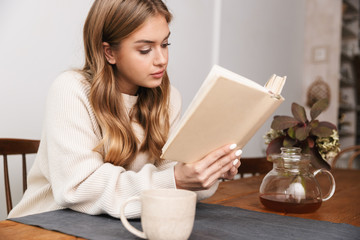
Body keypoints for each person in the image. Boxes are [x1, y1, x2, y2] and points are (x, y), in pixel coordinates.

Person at [8, 0, 241, 219]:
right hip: (46, 223)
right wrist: (175, 180)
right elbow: (78, 188)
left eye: (165, 44)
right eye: (145, 49)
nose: (161, 59)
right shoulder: (71, 90)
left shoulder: (168, 98)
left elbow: (173, 178)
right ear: (109, 52)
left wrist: (207, 173)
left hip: (118, 223)